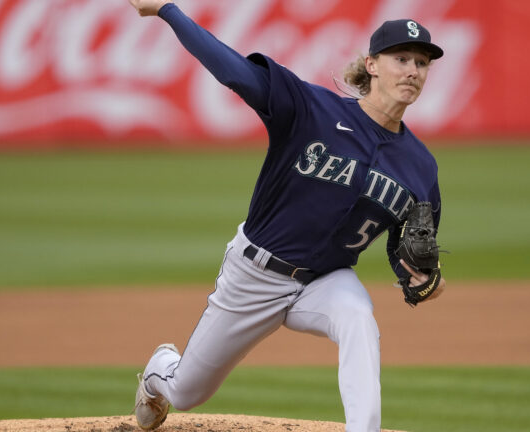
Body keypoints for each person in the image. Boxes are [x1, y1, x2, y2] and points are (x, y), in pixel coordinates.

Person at [128, 1, 447, 430]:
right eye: (401, 59)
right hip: (255, 275)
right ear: (372, 65)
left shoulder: (421, 167)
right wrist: (168, 10)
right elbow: (234, 71)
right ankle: (159, 370)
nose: (412, 71)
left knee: (358, 317)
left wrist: (424, 279)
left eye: (422, 63)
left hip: (326, 281)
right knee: (187, 392)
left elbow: (406, 247)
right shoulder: (311, 109)